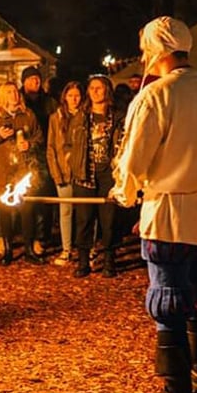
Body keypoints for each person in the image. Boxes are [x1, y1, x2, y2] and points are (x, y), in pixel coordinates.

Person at [111, 16, 197, 393]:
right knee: (196, 301)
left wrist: (125, 192)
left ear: (158, 50)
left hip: (169, 215)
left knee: (168, 305)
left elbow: (134, 159)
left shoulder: (155, 97)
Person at [0, 81, 44, 267]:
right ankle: (8, 250)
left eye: (15, 91)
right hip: (2, 172)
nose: (14, 95)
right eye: (9, 92)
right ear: (3, 96)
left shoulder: (28, 115)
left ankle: (29, 250)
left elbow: (40, 137)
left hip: (24, 171)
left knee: (27, 212)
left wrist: (30, 144)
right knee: (5, 213)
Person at [69, 75, 124, 279]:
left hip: (108, 174)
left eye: (99, 88)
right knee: (83, 219)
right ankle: (83, 261)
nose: (95, 91)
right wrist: (71, 160)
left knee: (108, 219)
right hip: (85, 173)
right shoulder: (80, 117)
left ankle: (110, 260)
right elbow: (69, 143)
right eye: (91, 88)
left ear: (106, 91)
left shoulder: (118, 117)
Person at [20, 66, 57, 255]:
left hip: (43, 151)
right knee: (22, 195)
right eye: (31, 79)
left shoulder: (49, 102)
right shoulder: (19, 101)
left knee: (42, 194)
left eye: (37, 79)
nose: (35, 82)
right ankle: (20, 235)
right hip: (22, 154)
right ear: (24, 81)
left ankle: (41, 237)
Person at [46, 81, 83, 267]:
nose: (74, 99)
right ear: (64, 97)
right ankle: (66, 249)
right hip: (64, 170)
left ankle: (87, 249)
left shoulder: (86, 116)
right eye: (70, 95)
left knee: (85, 212)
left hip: (82, 171)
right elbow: (51, 148)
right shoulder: (56, 118)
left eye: (77, 95)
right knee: (65, 211)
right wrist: (56, 173)